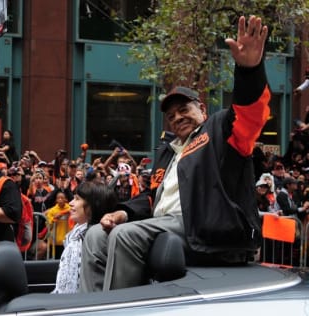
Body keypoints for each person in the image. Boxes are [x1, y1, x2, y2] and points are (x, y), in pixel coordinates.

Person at [80, 15, 270, 292]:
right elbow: (150, 198)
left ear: (202, 110)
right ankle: (91, 308)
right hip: (162, 223)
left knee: (124, 236)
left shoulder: (218, 130)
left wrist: (249, 70)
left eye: (184, 110)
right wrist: (122, 212)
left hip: (205, 229)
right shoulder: (167, 152)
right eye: (171, 116)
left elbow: (251, 115)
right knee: (96, 234)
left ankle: (117, 309)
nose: (177, 117)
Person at [52, 181, 116, 294]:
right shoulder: (75, 235)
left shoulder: (93, 239)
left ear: (92, 206)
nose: (71, 203)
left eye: (77, 199)